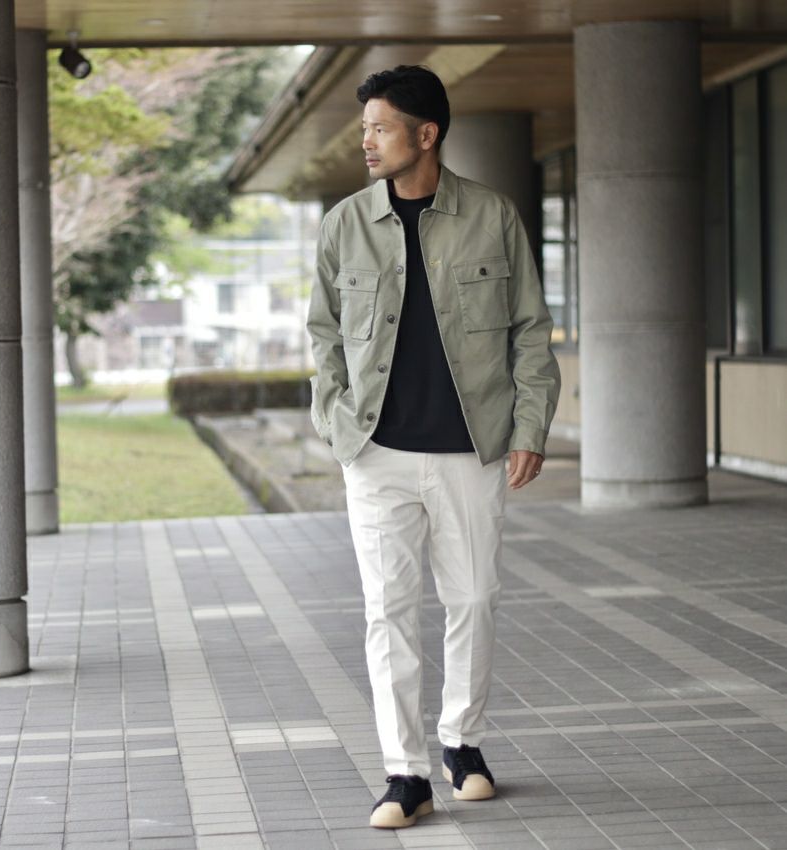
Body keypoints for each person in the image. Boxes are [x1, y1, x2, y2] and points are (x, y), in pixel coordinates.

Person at [307, 65, 560, 830]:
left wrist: (529, 428)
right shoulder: (345, 224)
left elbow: (530, 331)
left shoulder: (492, 216)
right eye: (364, 129)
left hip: (468, 451)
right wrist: (338, 425)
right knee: (387, 611)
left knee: (473, 598)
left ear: (427, 134)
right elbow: (323, 337)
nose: (367, 142)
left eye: (380, 128)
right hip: (375, 451)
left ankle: (462, 742)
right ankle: (405, 773)